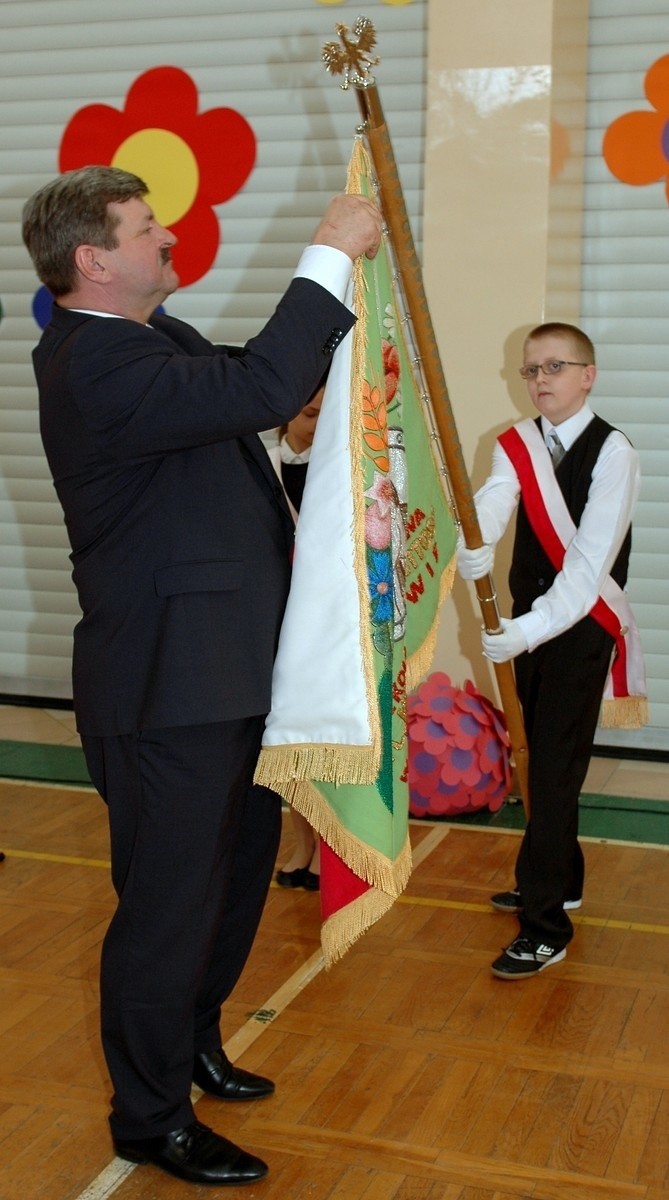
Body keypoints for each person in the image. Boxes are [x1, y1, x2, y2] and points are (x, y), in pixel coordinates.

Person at [22, 165, 382, 1187]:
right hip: (167, 686)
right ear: (94, 259)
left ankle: (194, 1045)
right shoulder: (90, 360)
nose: (167, 235)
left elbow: (252, 414)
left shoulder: (155, 342)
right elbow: (260, 384)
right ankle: (148, 1113)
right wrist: (328, 250)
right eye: (145, 227)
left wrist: (307, 445)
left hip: (228, 675)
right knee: (168, 909)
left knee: (229, 890)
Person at [457, 322, 641, 981]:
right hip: (532, 627)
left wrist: (524, 632)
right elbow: (493, 500)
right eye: (530, 370)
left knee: (552, 772)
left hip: (577, 627)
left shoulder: (613, 450)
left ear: (586, 375)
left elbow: (588, 567)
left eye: (554, 367)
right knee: (537, 758)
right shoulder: (517, 443)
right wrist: (472, 541)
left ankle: (544, 928)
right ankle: (557, 882)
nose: (539, 380)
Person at [269, 380, 325, 891]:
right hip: (273, 619)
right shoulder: (262, 459)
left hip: (326, 623)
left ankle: (331, 844)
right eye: (309, 414)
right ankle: (301, 841)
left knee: (322, 736)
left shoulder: (343, 469)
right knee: (285, 738)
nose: (317, 426)